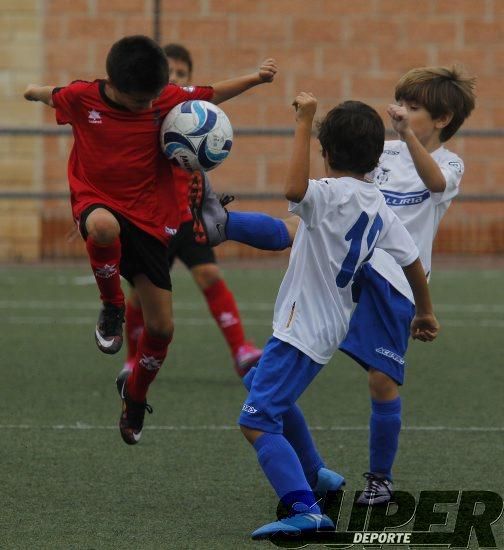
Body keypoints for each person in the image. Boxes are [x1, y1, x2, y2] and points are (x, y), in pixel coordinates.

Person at [190, 65, 476, 507]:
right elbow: (334, 195)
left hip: (392, 279)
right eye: (400, 102)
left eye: (414, 107)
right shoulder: (385, 153)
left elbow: (434, 184)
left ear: (441, 120)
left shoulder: (447, 162)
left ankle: (379, 478)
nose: (400, 111)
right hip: (346, 267)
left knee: (381, 380)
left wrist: (425, 308)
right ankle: (315, 472)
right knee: (297, 232)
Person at [24, 35, 277, 445]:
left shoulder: (165, 99)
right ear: (113, 84)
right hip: (97, 201)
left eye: (151, 99)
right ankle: (111, 306)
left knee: (162, 328)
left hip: (150, 222)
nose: (148, 106)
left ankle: (135, 394)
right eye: (139, 101)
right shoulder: (81, 97)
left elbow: (214, 93)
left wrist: (256, 79)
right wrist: (31, 92)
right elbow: (49, 95)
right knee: (103, 228)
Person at [122, 43, 262, 380]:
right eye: (168, 72)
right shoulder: (147, 118)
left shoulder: (194, 118)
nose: (174, 78)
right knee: (142, 297)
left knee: (210, 275)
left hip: (188, 219)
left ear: (189, 79)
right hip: (154, 222)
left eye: (181, 74)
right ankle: (132, 360)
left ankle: (241, 349)